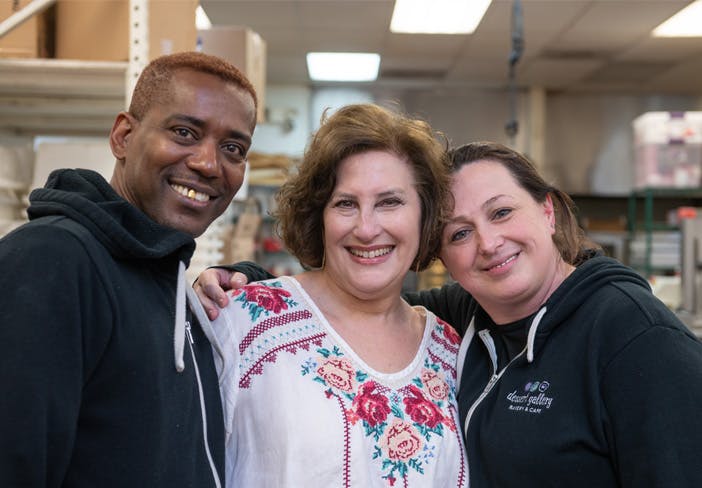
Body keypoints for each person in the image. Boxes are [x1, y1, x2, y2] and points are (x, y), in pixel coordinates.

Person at [197, 141, 702, 487]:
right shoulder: (472, 318)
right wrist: (246, 280)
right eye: (459, 233)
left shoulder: (636, 338)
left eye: (502, 212)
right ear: (441, 254)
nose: (488, 244)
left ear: (547, 212)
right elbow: (357, 304)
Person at [0, 51, 258, 487]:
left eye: (232, 148)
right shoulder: (52, 260)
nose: (208, 164)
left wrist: (245, 277)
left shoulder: (166, 280)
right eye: (184, 132)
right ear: (123, 136)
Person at [210, 103, 468, 486]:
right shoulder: (244, 323)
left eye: (389, 202)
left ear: (424, 215)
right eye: (346, 203)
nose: (366, 228)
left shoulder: (451, 352)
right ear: (319, 217)